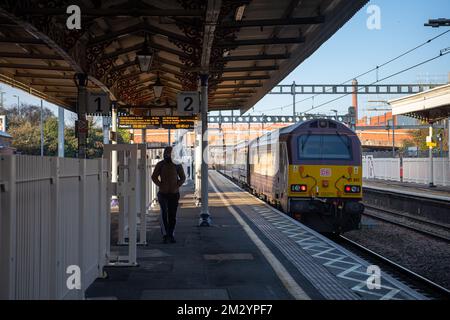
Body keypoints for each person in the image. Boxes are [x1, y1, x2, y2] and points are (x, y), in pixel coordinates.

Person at [151, 146, 186, 244]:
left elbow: (183, 177)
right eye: (166, 153)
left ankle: (171, 234)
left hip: (174, 194)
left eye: (170, 153)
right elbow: (154, 177)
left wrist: (177, 185)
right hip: (163, 194)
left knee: (172, 215)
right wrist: (160, 185)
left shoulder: (177, 165)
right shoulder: (160, 165)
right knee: (164, 213)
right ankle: (166, 235)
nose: (168, 155)